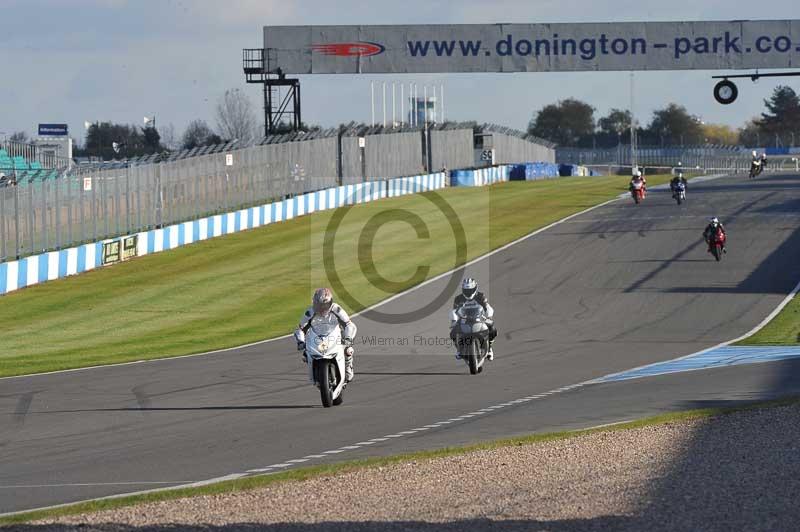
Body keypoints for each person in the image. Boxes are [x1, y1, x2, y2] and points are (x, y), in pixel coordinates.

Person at [294, 287, 357, 382]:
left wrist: (348, 338)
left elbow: (349, 325)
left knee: (348, 350)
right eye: (318, 305)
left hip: (335, 335)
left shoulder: (336, 309)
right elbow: (299, 329)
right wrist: (300, 341)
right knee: (305, 355)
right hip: (317, 338)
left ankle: (348, 366)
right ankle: (316, 373)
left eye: (324, 305)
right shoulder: (310, 312)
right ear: (314, 303)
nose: (321, 308)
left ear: (330, 303)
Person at [449, 277, 497, 361]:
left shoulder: (480, 296)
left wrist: (489, 317)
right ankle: (459, 350)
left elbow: (487, 307)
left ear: (475, 288)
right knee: (453, 333)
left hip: (479, 318)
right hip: (464, 320)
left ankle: (489, 349)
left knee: (492, 329)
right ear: (463, 290)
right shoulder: (458, 299)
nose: (468, 293)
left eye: (470, 290)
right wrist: (454, 321)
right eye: (466, 291)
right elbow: (454, 311)